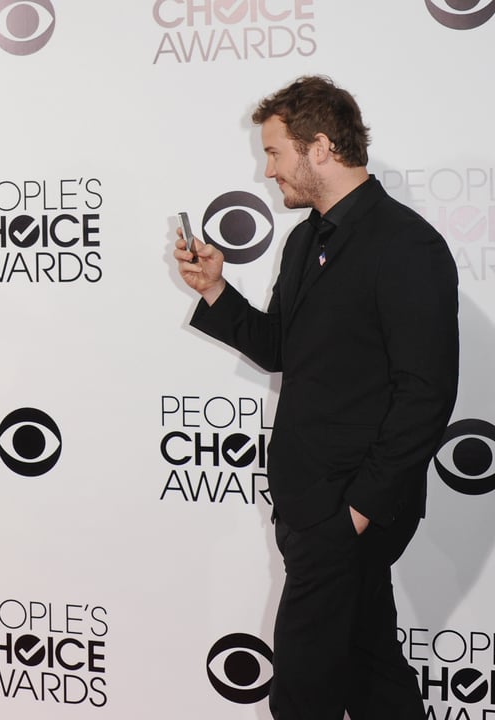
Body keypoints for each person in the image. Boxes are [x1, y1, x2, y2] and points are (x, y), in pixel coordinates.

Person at [174, 76, 459, 719]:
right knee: (369, 665)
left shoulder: (406, 245)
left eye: (274, 152)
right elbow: (281, 348)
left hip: (352, 507)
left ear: (321, 147)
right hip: (307, 499)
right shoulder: (306, 239)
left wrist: (358, 510)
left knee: (302, 690)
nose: (266, 169)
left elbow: (427, 394)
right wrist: (217, 291)